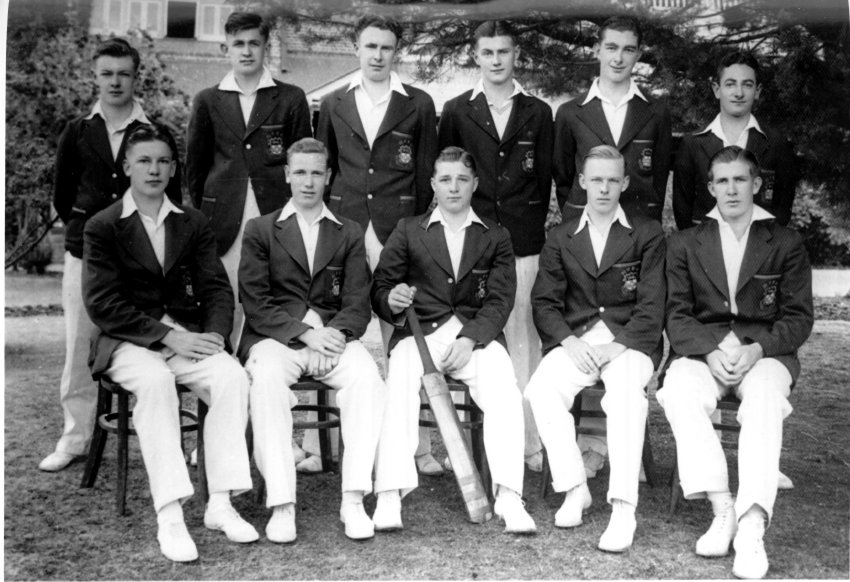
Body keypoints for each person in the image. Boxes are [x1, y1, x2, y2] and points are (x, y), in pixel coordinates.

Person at [83, 124, 256, 562]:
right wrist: (167, 336)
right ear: (126, 167)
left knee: (231, 377)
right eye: (144, 160)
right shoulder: (103, 226)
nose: (154, 169)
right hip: (127, 341)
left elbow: (217, 288)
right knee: (157, 383)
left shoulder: (191, 221)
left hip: (185, 336)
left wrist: (215, 335)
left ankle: (220, 502)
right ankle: (171, 514)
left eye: (163, 160)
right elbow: (103, 304)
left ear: (174, 167)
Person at [657, 146, 813, 579]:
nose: (731, 189)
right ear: (710, 188)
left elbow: (799, 317)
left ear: (757, 184)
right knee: (677, 390)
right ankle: (722, 505)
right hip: (703, 351)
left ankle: (751, 526)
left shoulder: (784, 242)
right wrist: (709, 349)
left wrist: (757, 349)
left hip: (764, 354)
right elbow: (676, 314)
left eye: (740, 180)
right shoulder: (686, 242)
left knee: (764, 397)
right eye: (722, 181)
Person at [370, 146, 535, 535]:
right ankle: (390, 492)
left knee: (506, 390)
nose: (454, 187)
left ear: (475, 184)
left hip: (472, 337)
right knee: (398, 388)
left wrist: (472, 338)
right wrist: (390, 299)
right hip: (419, 335)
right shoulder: (408, 230)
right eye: (445, 179)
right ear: (432, 184)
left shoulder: (495, 235)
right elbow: (381, 286)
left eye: (462, 179)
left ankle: (509, 494)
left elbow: (500, 299)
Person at [42, 38, 182, 473]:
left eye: (123, 73)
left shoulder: (153, 132)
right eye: (107, 73)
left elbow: (171, 196)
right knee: (79, 344)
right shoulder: (77, 130)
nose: (115, 81)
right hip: (86, 253)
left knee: (150, 339)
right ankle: (76, 436)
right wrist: (91, 226)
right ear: (95, 76)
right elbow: (64, 195)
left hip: (142, 257)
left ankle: (164, 436)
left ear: (135, 76)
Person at [238, 138, 386, 543]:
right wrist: (305, 334)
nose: (308, 181)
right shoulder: (261, 229)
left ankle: (354, 499)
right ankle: (282, 504)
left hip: (332, 338)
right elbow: (255, 300)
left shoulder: (348, 232)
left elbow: (358, 300)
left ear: (329, 177)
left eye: (316, 172)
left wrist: (332, 335)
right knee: (265, 381)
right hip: (275, 339)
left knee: (367, 378)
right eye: (299, 172)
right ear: (287, 175)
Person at [314, 14, 439, 474]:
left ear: (397, 51)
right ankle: (315, 442)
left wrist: (418, 234)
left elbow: (427, 176)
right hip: (346, 228)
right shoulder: (332, 102)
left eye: (386, 47)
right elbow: (324, 171)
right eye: (370, 46)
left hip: (398, 228)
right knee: (329, 325)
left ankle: (417, 446)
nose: (378, 56)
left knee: (405, 335)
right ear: (356, 48)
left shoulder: (419, 104)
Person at [525, 145, 665, 552]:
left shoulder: (647, 233)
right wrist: (568, 341)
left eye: (612, 180)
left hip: (630, 343)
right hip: (579, 340)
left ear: (624, 183)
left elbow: (652, 305)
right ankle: (574, 487)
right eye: (596, 179)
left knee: (624, 396)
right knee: (541, 389)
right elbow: (545, 303)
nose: (603, 188)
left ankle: (623, 508)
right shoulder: (561, 236)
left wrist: (617, 347)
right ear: (582, 182)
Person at [552, 15, 672, 475]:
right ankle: (587, 445)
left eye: (628, 49)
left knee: (628, 339)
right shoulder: (572, 112)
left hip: (635, 238)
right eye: (611, 48)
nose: (619, 57)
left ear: (637, 55)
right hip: (586, 234)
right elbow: (567, 176)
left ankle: (623, 447)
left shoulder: (655, 112)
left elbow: (656, 176)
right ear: (597, 52)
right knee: (585, 331)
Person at [437, 20, 553, 473]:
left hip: (522, 241)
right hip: (471, 244)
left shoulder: (538, 112)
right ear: (477, 57)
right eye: (488, 53)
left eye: (504, 52)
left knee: (524, 340)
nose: (497, 60)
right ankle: (466, 445)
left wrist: (525, 226)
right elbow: (450, 174)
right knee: (467, 338)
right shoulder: (457, 110)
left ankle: (528, 443)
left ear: (516, 55)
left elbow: (543, 179)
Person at [186, 11, 312, 348]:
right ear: (224, 49)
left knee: (277, 302)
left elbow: (304, 164)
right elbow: (194, 172)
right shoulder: (208, 100)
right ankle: (228, 386)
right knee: (224, 304)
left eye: (253, 43)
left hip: (276, 221)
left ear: (266, 47)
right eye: (237, 44)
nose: (246, 51)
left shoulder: (290, 98)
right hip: (223, 223)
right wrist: (206, 216)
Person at [673, 51, 797, 230]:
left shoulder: (776, 143)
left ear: (757, 91)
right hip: (705, 249)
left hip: (758, 249)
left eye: (747, 85)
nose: (739, 93)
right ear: (717, 90)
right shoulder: (692, 143)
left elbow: (783, 207)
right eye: (730, 84)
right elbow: (682, 208)